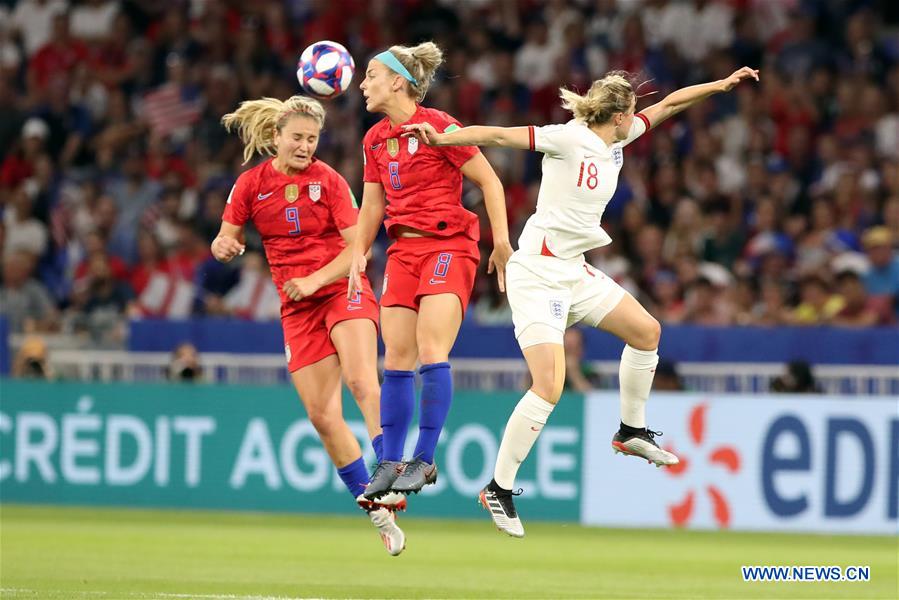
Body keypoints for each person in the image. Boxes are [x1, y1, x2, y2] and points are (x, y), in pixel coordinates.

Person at [404, 66, 760, 537]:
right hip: (537, 271)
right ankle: (498, 487)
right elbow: (498, 135)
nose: (638, 118)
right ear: (618, 114)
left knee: (647, 331)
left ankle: (631, 431)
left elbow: (670, 103)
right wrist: (442, 138)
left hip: (573, 269)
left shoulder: (616, 137)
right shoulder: (566, 138)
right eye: (632, 111)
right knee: (549, 385)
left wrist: (719, 85)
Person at [214, 95, 406, 556]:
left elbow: (357, 249)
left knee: (362, 380)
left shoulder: (331, 182)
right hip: (297, 307)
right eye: (297, 137)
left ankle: (391, 470)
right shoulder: (250, 185)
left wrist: (316, 278)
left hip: (343, 289)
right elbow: (227, 235)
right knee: (322, 416)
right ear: (276, 137)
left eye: (312, 139)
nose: (304, 146)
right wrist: (224, 246)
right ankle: (378, 511)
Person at [347, 42, 513, 499]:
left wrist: (500, 242)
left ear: (398, 81)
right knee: (395, 359)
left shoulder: (439, 126)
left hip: (449, 246)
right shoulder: (374, 139)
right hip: (402, 254)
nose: (363, 83)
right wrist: (359, 252)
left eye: (372, 75)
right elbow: (374, 205)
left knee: (429, 346)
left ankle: (425, 458)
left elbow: (490, 181)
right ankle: (390, 462)